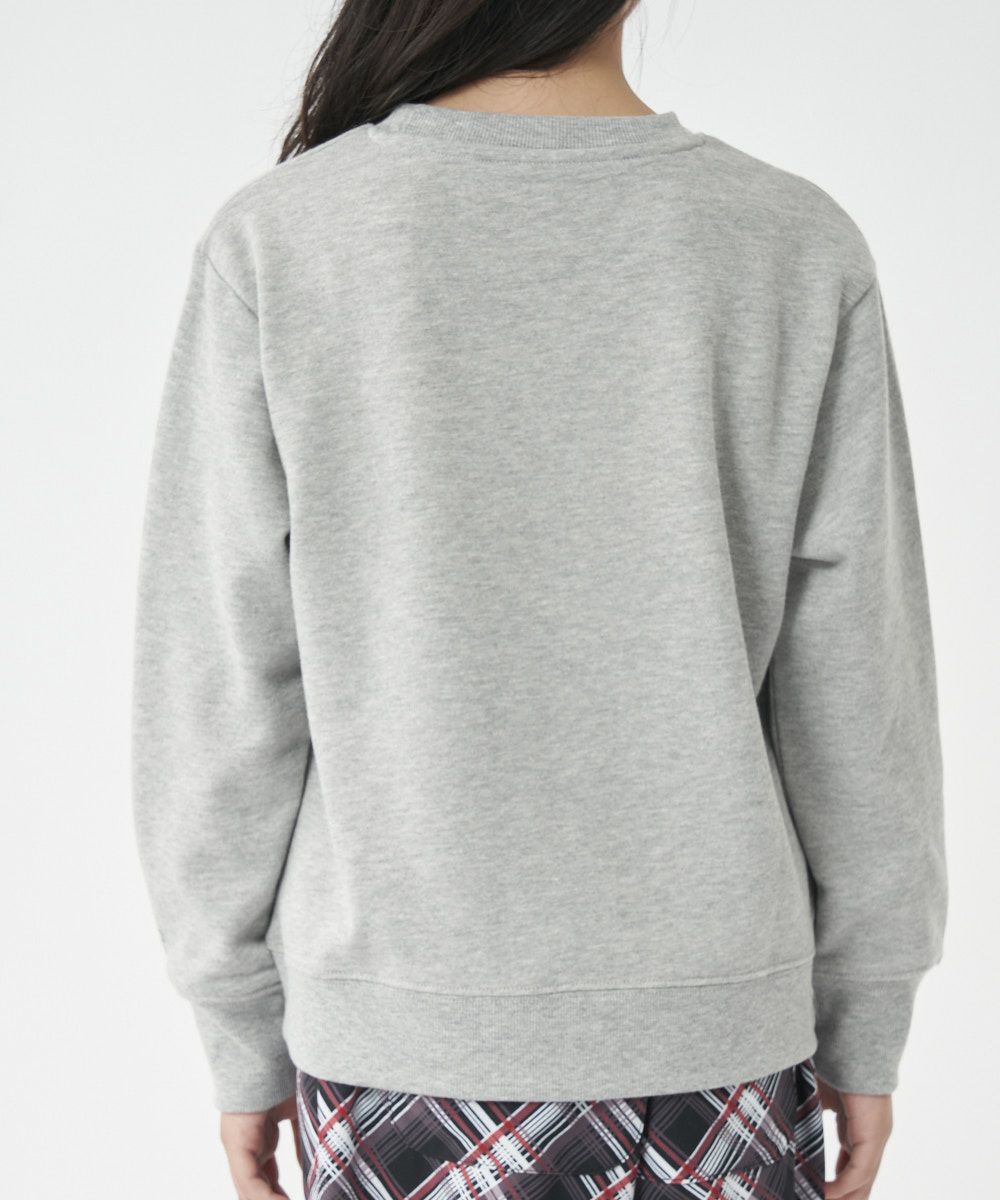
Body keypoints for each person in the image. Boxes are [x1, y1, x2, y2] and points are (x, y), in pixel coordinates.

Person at [129, 2, 948, 1198]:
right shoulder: (788, 239)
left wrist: (236, 1026)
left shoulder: (288, 238)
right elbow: (859, 687)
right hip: (716, 1040)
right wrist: (865, 1017)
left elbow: (219, 686)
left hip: (397, 1045)